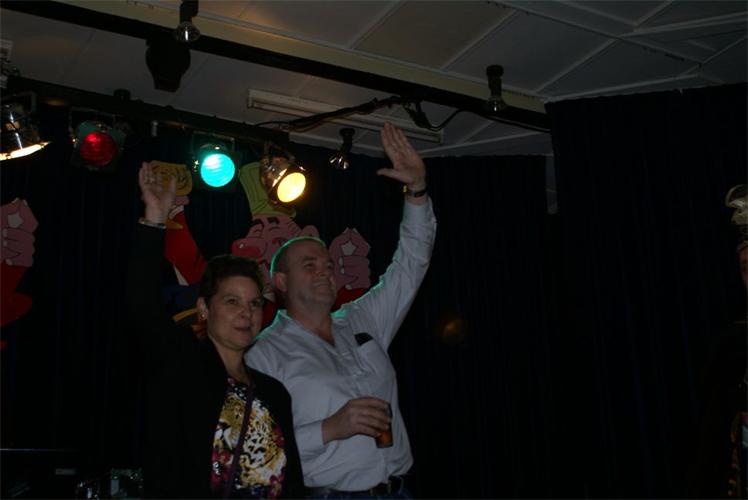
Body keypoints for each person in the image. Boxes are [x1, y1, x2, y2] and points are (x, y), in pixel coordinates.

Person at [245, 123, 436, 497]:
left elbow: (411, 264)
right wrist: (331, 427)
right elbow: (258, 448)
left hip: (399, 489)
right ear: (280, 281)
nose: (325, 271)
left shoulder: (361, 318)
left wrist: (416, 191)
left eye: (328, 265)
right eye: (309, 265)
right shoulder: (264, 354)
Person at [127, 162, 304, 498]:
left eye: (254, 303)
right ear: (205, 308)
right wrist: (155, 217)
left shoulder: (274, 392)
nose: (246, 313)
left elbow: (291, 482)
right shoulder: (181, 364)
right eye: (232, 301)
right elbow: (142, 304)